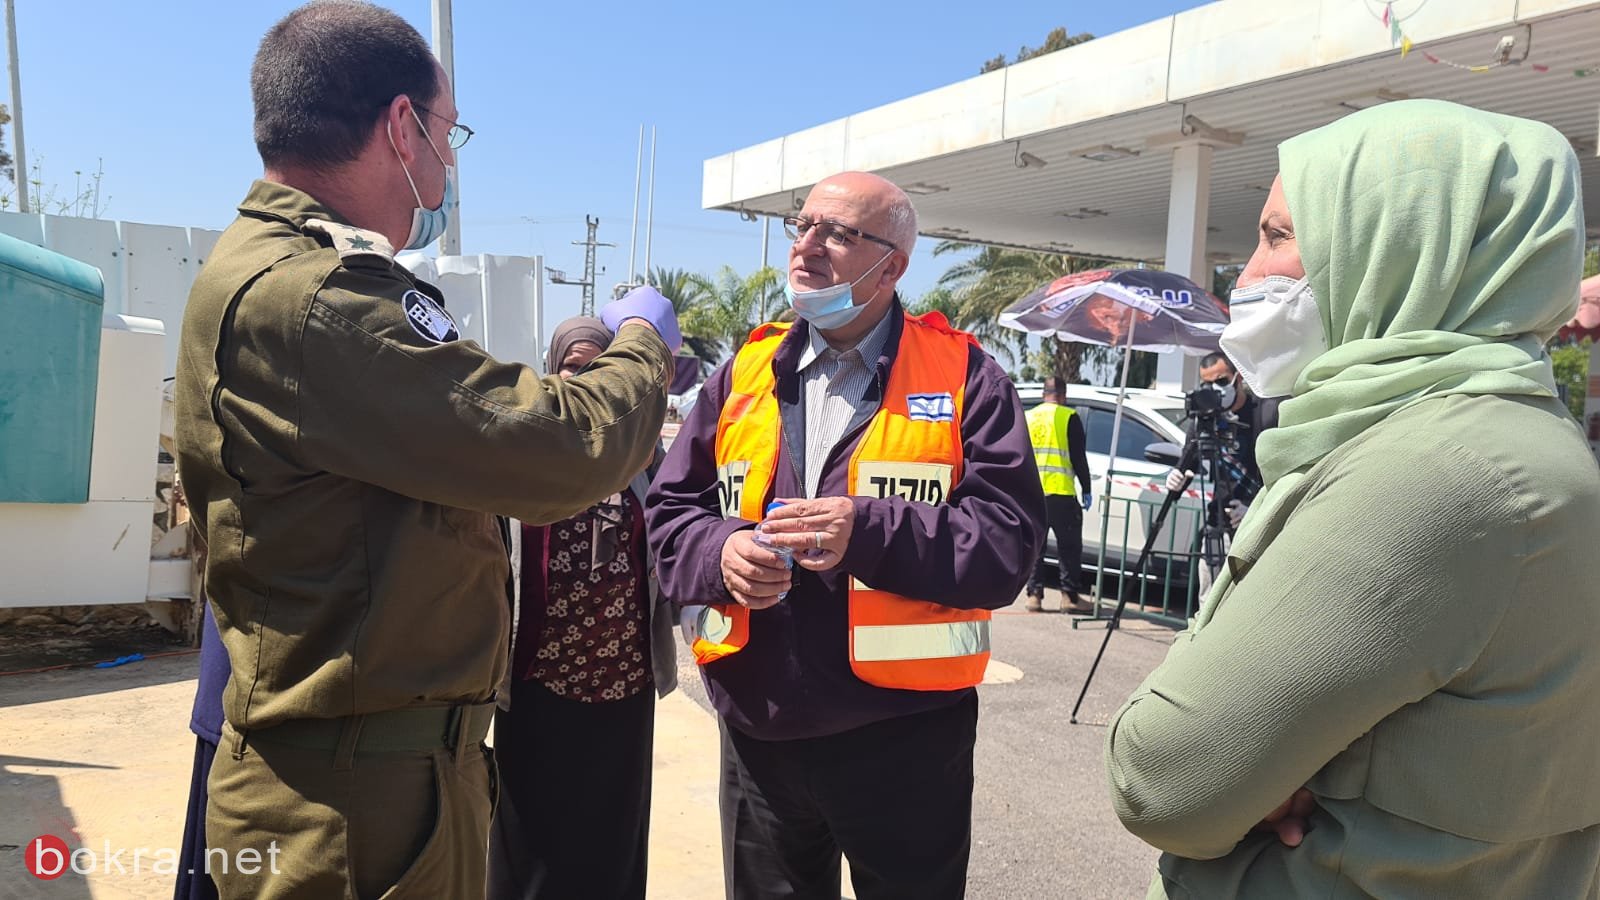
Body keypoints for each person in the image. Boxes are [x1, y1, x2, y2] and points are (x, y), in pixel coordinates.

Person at [171, 4, 677, 898]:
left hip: (369, 773)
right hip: (359, 805)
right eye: (450, 135)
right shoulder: (318, 298)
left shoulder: (281, 270)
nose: (448, 161)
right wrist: (643, 341)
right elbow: (558, 449)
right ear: (402, 127)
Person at [1106, 99, 1600, 899]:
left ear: (1401, 247)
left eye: (1278, 238)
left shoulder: (1437, 470)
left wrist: (1258, 778)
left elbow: (1159, 778)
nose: (1250, 276)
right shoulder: (1522, 438)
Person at [646, 171, 1045, 900]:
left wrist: (868, 530)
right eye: (804, 227)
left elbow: (1007, 544)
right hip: (758, 737)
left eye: (837, 232)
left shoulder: (967, 378)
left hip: (905, 744)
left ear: (892, 264)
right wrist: (720, 552)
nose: (806, 247)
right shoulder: (745, 371)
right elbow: (670, 516)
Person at [485, 317, 678, 900]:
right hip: (537, 679)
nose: (586, 381)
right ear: (553, 369)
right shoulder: (525, 449)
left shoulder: (643, 454)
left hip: (622, 681)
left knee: (614, 834)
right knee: (528, 834)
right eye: (573, 368)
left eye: (599, 368)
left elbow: (675, 530)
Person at [1162, 351, 1279, 531]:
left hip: (1257, 519)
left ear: (1238, 378)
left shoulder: (1265, 412)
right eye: (1207, 385)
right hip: (1220, 518)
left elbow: (1282, 475)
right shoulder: (1204, 417)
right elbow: (1188, 464)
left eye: (1221, 381)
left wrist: (1257, 509)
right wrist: (1176, 479)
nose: (1215, 389)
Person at [1023, 376, 1092, 613]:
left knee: (1035, 548)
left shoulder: (1028, 417)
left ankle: (1034, 596)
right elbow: (1078, 458)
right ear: (1063, 395)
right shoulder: (1068, 417)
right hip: (1062, 494)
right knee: (1069, 548)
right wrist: (1087, 488)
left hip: (1032, 495)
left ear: (1044, 394)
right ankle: (1069, 598)